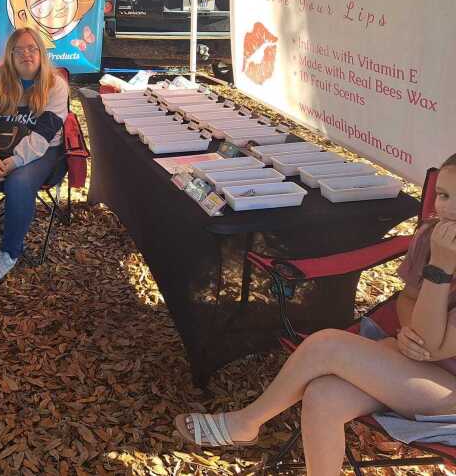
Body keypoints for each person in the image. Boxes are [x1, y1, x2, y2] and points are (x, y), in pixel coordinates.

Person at [175, 153, 456, 475]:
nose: (447, 208)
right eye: (443, 195)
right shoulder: (431, 236)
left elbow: (433, 346)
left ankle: (246, 422)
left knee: (327, 345)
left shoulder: (442, 254)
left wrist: (442, 268)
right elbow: (408, 297)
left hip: (449, 401)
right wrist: (409, 330)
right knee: (323, 395)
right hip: (414, 366)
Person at [0, 27, 69, 286]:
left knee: (19, 183)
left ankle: (9, 252)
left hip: (40, 151)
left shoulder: (55, 85)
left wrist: (16, 161)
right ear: (10, 54)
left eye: (32, 49)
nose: (26, 54)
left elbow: (44, 134)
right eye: (19, 50)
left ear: (41, 53)